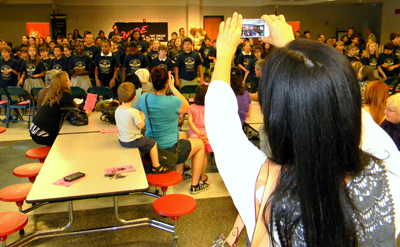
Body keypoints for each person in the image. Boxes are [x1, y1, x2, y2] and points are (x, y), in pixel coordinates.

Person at [205, 12, 399, 246]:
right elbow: (348, 110)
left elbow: (221, 126)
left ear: (275, 117)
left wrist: (224, 54)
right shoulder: (387, 172)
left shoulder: (263, 184)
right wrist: (294, 48)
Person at [139, 67, 209, 194]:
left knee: (182, 135)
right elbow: (186, 106)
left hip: (150, 147)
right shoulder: (173, 101)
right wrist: (173, 87)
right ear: (167, 82)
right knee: (199, 144)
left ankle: (179, 174)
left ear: (152, 81)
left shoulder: (144, 99)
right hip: (168, 149)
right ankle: (195, 184)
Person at [115, 82, 168, 173]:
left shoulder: (118, 109)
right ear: (134, 98)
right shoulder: (134, 111)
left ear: (119, 98)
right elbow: (141, 126)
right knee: (152, 143)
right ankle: (156, 166)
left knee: (144, 140)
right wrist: (143, 118)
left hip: (122, 139)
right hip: (132, 140)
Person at [29, 72, 76, 146]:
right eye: (68, 79)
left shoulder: (51, 94)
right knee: (69, 139)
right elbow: (73, 116)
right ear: (64, 82)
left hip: (35, 131)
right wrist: (87, 112)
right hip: (44, 135)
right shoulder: (65, 94)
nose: (70, 81)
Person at [188, 84, 211, 171]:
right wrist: (206, 135)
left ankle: (195, 176)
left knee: (195, 156)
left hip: (194, 135)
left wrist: (197, 132)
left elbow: (190, 122)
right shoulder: (210, 108)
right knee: (204, 156)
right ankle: (203, 176)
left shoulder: (191, 108)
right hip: (206, 135)